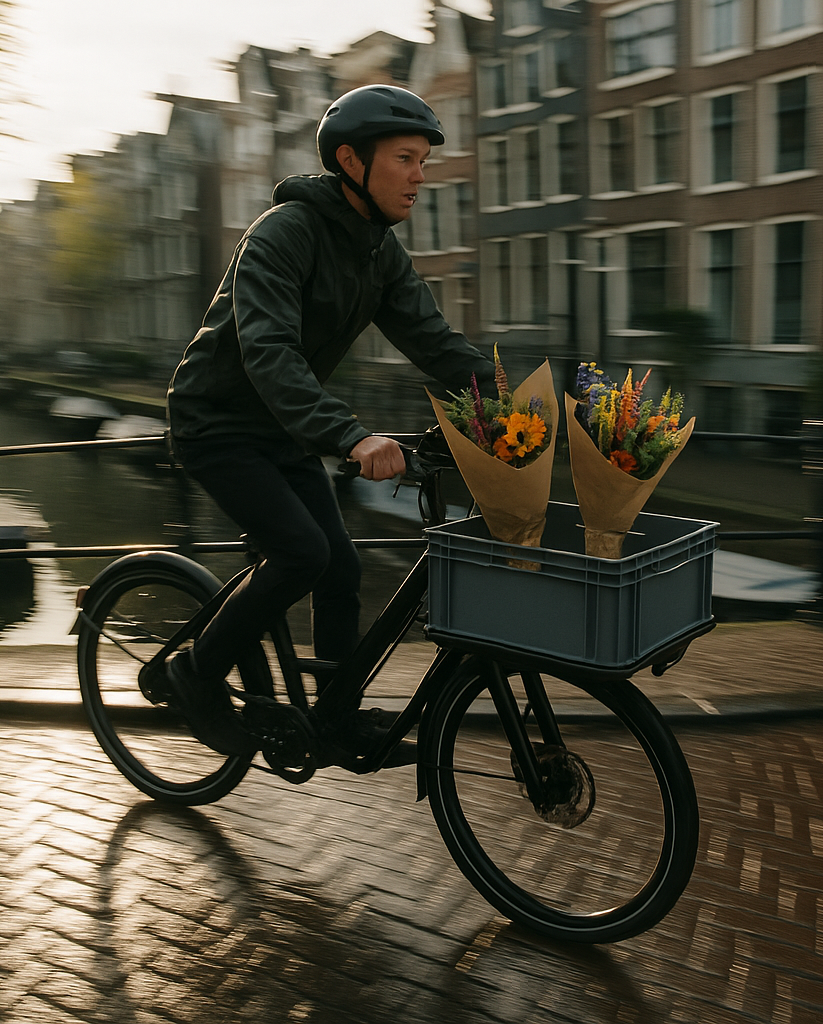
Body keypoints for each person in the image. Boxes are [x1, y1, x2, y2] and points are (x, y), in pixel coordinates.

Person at [160, 85, 495, 764]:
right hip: (217, 422)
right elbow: (269, 353)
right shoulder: (282, 234)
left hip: (283, 429)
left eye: (424, 159)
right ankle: (193, 676)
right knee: (302, 555)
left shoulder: (378, 251)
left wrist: (520, 406)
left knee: (341, 565)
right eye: (405, 157)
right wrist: (350, 434)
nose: (419, 176)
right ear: (351, 159)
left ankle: (335, 716)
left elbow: (433, 341)